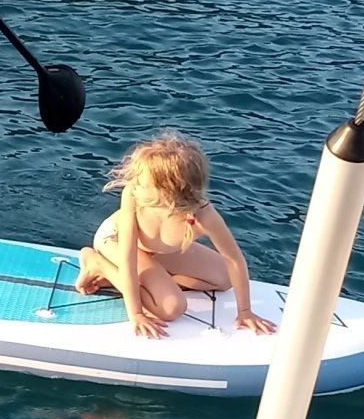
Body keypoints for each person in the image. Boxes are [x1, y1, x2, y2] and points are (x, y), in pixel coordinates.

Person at [76, 133, 277, 339]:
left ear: (167, 191)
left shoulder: (203, 215)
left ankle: (154, 279)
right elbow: (128, 257)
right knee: (172, 308)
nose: (132, 184)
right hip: (115, 240)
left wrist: (245, 311)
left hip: (157, 250)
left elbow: (234, 260)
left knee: (224, 278)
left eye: (141, 183)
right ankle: (99, 264)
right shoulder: (133, 195)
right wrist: (136, 314)